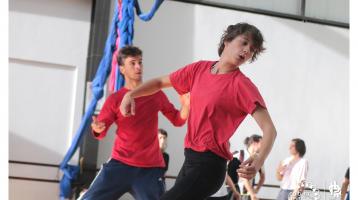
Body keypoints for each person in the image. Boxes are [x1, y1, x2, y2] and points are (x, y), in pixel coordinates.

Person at [120, 23, 277, 200]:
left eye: (252, 50)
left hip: (209, 166)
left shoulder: (242, 85)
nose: (247, 51)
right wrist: (131, 94)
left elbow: (270, 129)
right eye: (244, 43)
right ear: (227, 40)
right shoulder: (199, 69)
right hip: (190, 160)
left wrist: (258, 161)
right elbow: (158, 83)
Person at [79, 46, 190, 200]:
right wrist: (97, 128)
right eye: (133, 63)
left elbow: (178, 120)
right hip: (119, 165)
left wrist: (186, 106)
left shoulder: (156, 94)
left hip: (149, 169)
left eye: (140, 62)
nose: (138, 66)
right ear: (122, 69)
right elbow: (100, 131)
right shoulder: (115, 99)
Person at [237, 135, 265, 200]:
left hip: (247, 194)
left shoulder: (258, 158)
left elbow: (262, 177)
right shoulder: (239, 155)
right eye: (262, 143)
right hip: (236, 192)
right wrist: (252, 193)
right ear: (254, 143)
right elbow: (244, 178)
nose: (264, 146)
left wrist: (256, 190)